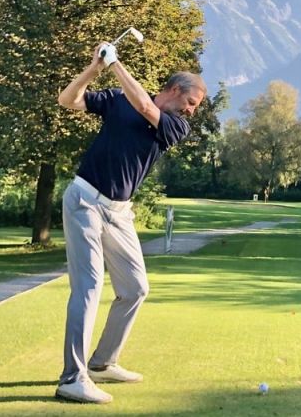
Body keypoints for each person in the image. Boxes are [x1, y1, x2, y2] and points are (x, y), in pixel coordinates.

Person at [54, 41, 205, 404]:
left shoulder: (173, 126)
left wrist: (116, 63)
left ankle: (103, 363)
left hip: (119, 213)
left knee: (135, 288)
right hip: (84, 201)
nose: (191, 112)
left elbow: (143, 105)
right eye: (191, 103)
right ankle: (71, 378)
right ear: (173, 90)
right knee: (89, 288)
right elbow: (68, 101)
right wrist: (94, 69)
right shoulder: (116, 100)